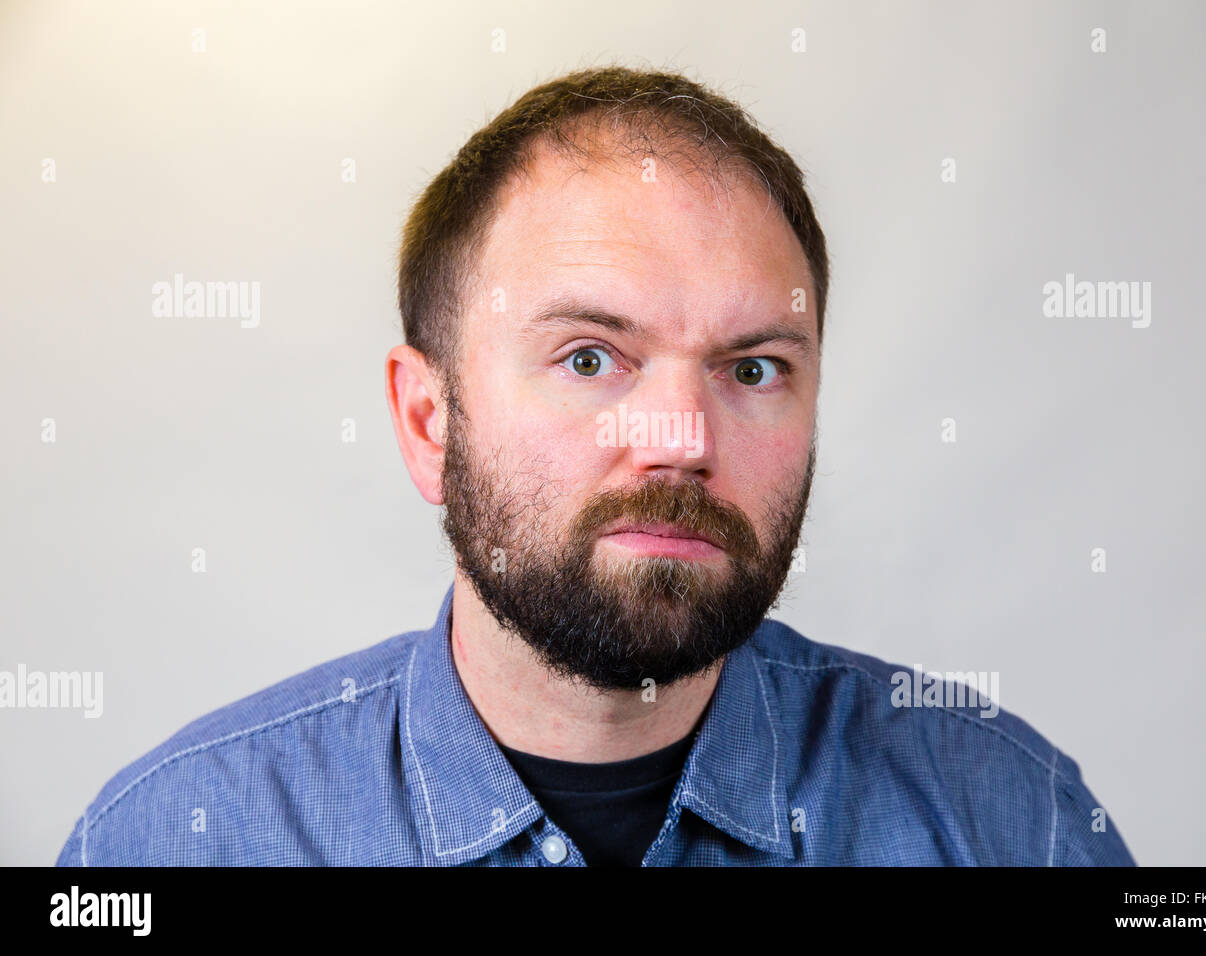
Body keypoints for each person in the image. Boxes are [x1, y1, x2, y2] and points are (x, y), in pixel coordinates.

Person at [57, 65, 1135, 866]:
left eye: (753, 367)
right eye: (588, 358)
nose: (682, 438)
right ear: (429, 419)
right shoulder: (171, 842)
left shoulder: (1009, 818)